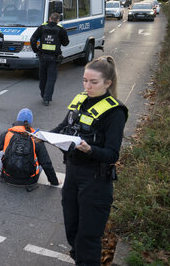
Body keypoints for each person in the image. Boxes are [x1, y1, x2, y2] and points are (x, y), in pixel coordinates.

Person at [50, 56, 127, 265]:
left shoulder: (115, 112)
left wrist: (90, 150)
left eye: (93, 82)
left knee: (88, 238)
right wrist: (41, 135)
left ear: (108, 83)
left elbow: (112, 154)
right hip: (73, 174)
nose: (87, 86)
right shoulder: (79, 100)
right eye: (85, 80)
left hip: (95, 181)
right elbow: (62, 127)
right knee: (72, 230)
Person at [0, 108, 60, 187]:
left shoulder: (8, 133)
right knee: (40, 159)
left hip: (8, 177)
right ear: (30, 122)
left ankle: (0, 167)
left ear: (18, 119)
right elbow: (47, 163)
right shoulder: (36, 137)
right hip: (30, 180)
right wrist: (54, 182)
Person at [30, 12, 70, 106]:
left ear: (49, 18)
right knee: (51, 79)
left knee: (43, 78)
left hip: (42, 57)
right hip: (54, 58)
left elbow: (33, 39)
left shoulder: (42, 27)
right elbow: (65, 43)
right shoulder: (61, 29)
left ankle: (43, 94)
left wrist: (36, 50)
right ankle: (46, 99)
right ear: (57, 20)